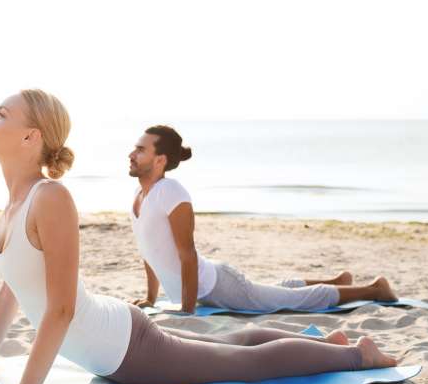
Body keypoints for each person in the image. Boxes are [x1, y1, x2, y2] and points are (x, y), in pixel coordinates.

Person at [0, 90, 397, 384]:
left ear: (31, 137)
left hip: (123, 350)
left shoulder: (51, 198)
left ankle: (358, 356)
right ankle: (330, 345)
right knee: (226, 348)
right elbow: (16, 286)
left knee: (243, 366)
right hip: (116, 331)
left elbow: (61, 309)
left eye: (1, 114)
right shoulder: (15, 203)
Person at [128, 125, 399, 314]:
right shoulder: (140, 196)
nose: (131, 154)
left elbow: (187, 254)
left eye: (140, 150)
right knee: (271, 292)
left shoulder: (171, 192)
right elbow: (149, 251)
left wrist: (187, 311)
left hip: (217, 287)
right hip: (210, 288)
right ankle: (339, 279)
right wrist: (151, 298)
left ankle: (375, 289)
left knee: (292, 301)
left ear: (160, 160)